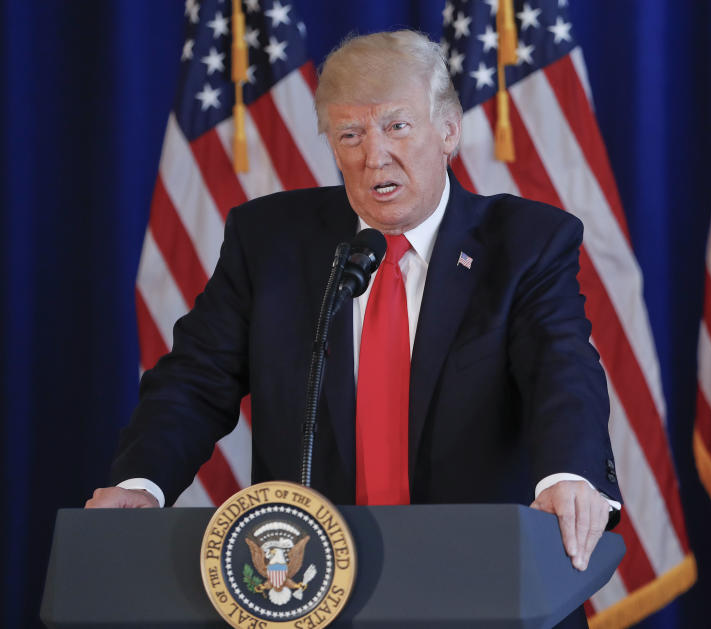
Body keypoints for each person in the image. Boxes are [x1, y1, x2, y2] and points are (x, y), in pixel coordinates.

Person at [87, 29, 621, 613]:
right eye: (350, 134)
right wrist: (141, 483)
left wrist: (567, 476)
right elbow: (196, 377)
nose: (374, 156)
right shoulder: (269, 241)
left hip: (483, 582)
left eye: (397, 126)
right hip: (309, 587)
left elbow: (561, 367)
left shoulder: (526, 243)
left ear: (448, 130)